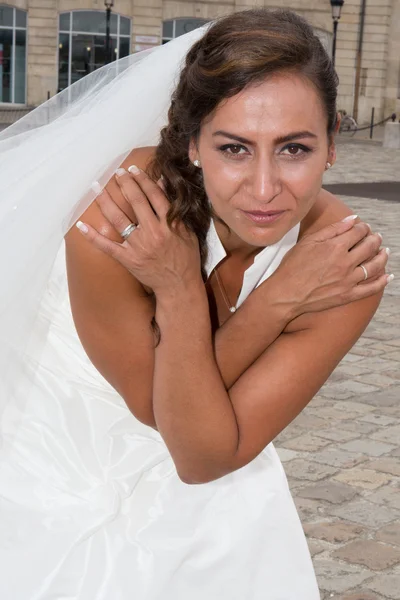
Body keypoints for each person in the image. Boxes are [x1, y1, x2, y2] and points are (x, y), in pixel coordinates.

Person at [0, 8, 392, 600]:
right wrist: (246, 296)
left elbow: (204, 456)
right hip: (52, 428)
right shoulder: (121, 204)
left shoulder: (342, 259)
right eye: (234, 148)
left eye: (294, 149)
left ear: (333, 143)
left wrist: (226, 295)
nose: (264, 190)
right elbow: (154, 411)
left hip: (192, 428)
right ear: (191, 144)